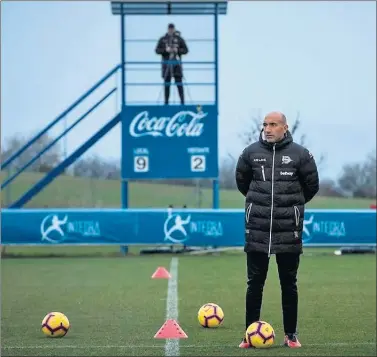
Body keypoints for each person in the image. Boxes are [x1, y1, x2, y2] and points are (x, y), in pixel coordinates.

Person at [235, 111, 319, 349]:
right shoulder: (250, 153)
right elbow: (242, 182)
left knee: (289, 284)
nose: (268, 128)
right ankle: (249, 335)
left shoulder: (301, 155)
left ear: (285, 127)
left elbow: (311, 186)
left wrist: (290, 205)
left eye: (273, 124)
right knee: (254, 284)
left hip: (288, 230)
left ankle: (290, 335)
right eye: (265, 124)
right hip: (258, 229)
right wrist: (258, 205)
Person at [155, 23, 189, 105]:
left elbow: (186, 50)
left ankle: (182, 102)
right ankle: (166, 103)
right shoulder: (163, 39)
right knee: (167, 84)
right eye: (170, 29)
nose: (171, 30)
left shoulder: (179, 39)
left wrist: (177, 50)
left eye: (172, 29)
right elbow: (157, 50)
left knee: (179, 84)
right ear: (168, 29)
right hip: (166, 65)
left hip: (177, 65)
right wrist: (166, 50)